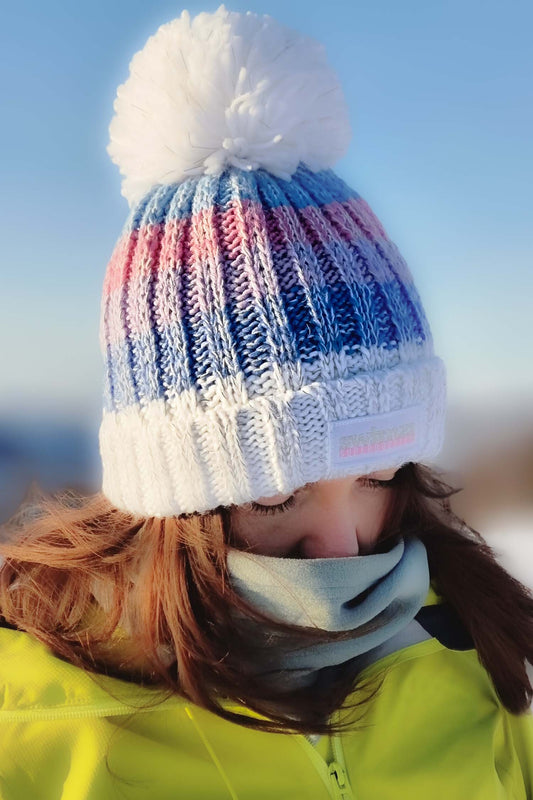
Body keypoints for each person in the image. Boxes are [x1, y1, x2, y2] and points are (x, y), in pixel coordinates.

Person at [0, 6, 532, 799]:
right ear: (168, 502)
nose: (342, 548)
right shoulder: (35, 728)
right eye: (274, 494)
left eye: (377, 479)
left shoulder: (477, 655)